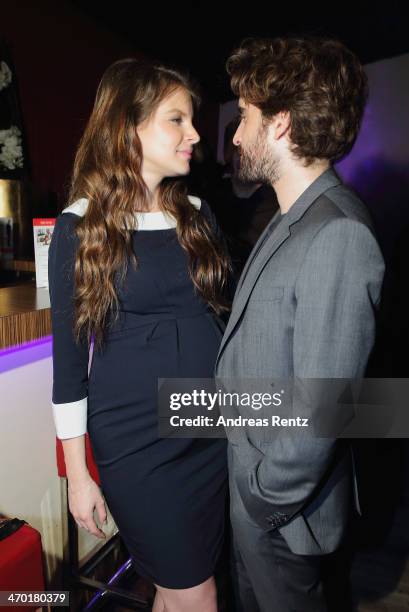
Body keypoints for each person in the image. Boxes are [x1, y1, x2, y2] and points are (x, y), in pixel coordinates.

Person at [48, 58, 231, 612]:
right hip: (138, 443)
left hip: (210, 427)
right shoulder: (79, 227)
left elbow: (224, 321)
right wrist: (79, 477)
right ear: (128, 126)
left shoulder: (198, 215)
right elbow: (68, 366)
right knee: (195, 591)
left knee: (184, 590)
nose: (195, 134)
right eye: (177, 119)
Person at [215, 37, 385, 611]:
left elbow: (325, 410)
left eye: (244, 117)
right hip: (261, 501)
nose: (236, 135)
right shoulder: (294, 215)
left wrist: (262, 502)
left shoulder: (338, 233)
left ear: (282, 125)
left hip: (284, 518)